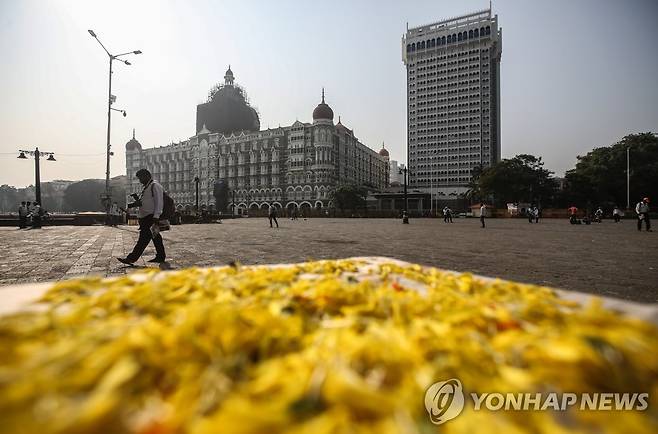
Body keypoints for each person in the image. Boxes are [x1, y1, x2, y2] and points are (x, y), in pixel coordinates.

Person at [117, 169, 167, 264]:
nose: (140, 180)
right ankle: (161, 256)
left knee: (143, 239)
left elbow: (159, 201)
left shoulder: (155, 186)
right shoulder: (147, 187)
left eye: (141, 178)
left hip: (150, 217)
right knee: (156, 237)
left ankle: (132, 258)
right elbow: (145, 202)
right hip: (145, 217)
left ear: (147, 176)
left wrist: (156, 215)